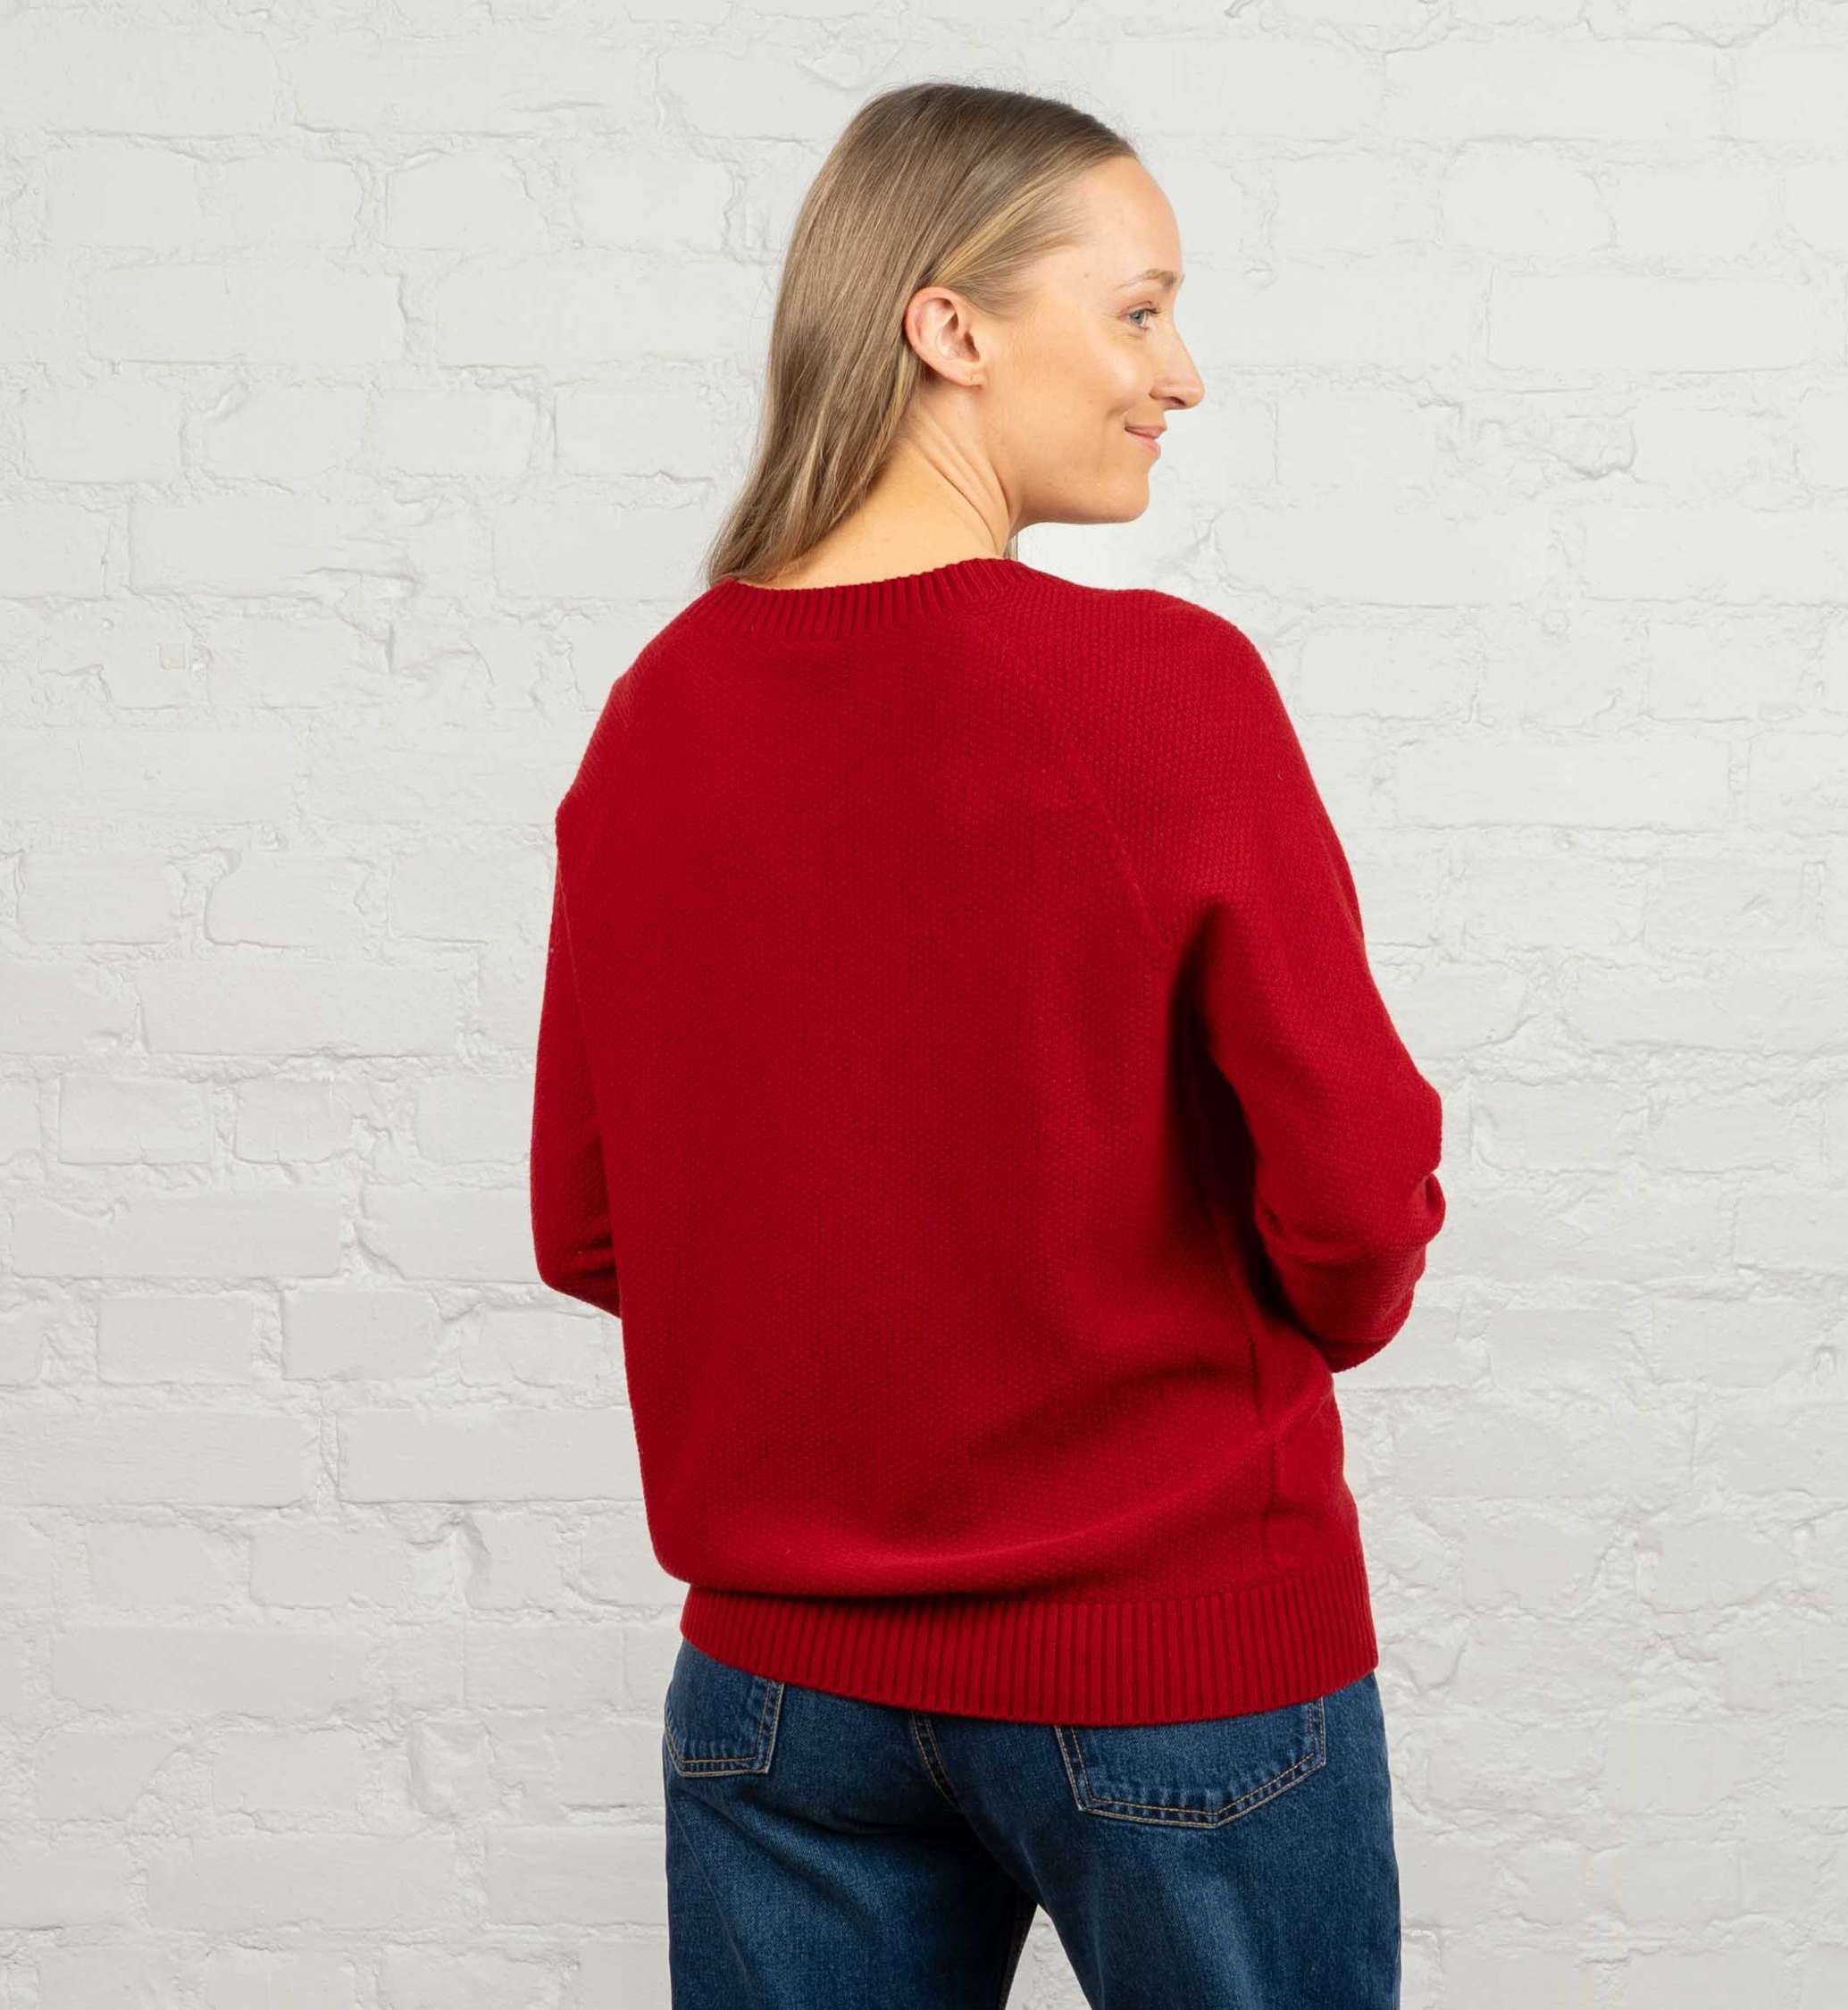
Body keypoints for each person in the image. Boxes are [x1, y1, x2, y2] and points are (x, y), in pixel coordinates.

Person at [530, 78, 1447, 2010]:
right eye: (1137, 309)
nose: (1180, 373)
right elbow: (1358, 1203)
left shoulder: (656, 714)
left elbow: (591, 1229)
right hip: (1172, 1662)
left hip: (780, 1697)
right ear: (948, 327)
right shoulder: (1160, 690)